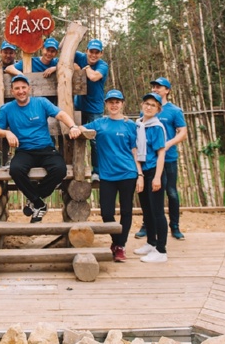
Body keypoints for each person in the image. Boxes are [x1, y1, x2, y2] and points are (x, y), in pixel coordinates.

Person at [0, 74, 81, 222]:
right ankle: (39, 203)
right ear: (12, 91)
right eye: (17, 88)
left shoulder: (41, 102)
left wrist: (73, 126)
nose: (21, 91)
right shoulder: (7, 109)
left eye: (23, 87)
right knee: (15, 170)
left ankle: (34, 200)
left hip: (46, 149)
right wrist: (7, 132)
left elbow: (61, 114)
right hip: (24, 150)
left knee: (60, 169)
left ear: (29, 89)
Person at [78, 90, 142, 262]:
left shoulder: (130, 125)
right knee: (106, 213)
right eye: (111, 102)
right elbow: (83, 128)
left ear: (122, 104)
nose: (114, 105)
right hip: (107, 175)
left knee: (126, 211)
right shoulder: (100, 123)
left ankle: (120, 246)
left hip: (128, 172)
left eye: (117, 102)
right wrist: (77, 129)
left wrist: (140, 173)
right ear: (106, 104)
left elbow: (134, 150)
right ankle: (117, 241)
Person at [135, 77, 188, 240]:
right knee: (148, 193)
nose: (155, 89)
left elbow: (183, 133)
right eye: (154, 86)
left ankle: (175, 226)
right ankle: (147, 225)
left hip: (168, 158)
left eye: (159, 86)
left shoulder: (175, 111)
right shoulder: (145, 111)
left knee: (171, 192)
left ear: (167, 90)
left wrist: (167, 144)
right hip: (150, 160)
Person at [133, 92, 168, 263]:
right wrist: (140, 174)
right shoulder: (138, 125)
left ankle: (161, 250)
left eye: (153, 105)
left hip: (155, 171)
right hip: (143, 172)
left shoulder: (157, 127)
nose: (148, 107)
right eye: (146, 103)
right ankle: (151, 242)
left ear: (158, 109)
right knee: (147, 210)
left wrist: (157, 177)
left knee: (157, 211)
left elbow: (161, 154)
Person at [73, 39, 109, 182]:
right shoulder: (80, 56)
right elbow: (63, 49)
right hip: (78, 107)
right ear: (86, 50)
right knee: (74, 136)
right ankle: (75, 169)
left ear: (101, 53)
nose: (93, 55)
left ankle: (97, 172)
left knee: (95, 140)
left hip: (95, 109)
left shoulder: (102, 65)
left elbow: (94, 77)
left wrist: (85, 68)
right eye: (91, 51)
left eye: (96, 52)